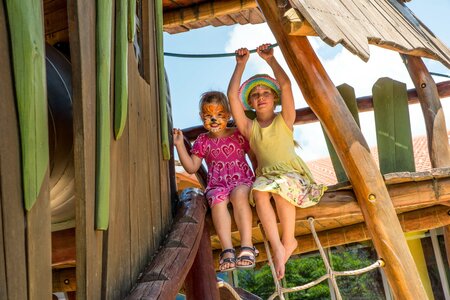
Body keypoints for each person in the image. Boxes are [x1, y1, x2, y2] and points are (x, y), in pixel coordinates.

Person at [227, 43, 326, 280]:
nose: (261, 98)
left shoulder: (285, 120)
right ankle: (278, 246)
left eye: (265, 94)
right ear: (250, 102)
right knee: (260, 192)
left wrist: (271, 59)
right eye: (255, 95)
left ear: (274, 99)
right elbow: (232, 96)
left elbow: (286, 85)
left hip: (292, 175)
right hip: (266, 177)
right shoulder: (250, 128)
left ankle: (289, 239)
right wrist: (240, 65)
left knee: (281, 189)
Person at [173, 91, 258, 272]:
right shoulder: (203, 141)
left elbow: (254, 158)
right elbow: (191, 167)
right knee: (217, 200)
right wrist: (180, 145)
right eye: (208, 116)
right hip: (217, 184)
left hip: (241, 179)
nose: (214, 120)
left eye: (219, 115)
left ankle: (247, 245)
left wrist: (260, 179)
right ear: (201, 117)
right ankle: (227, 250)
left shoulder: (239, 134)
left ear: (228, 114)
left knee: (239, 195)